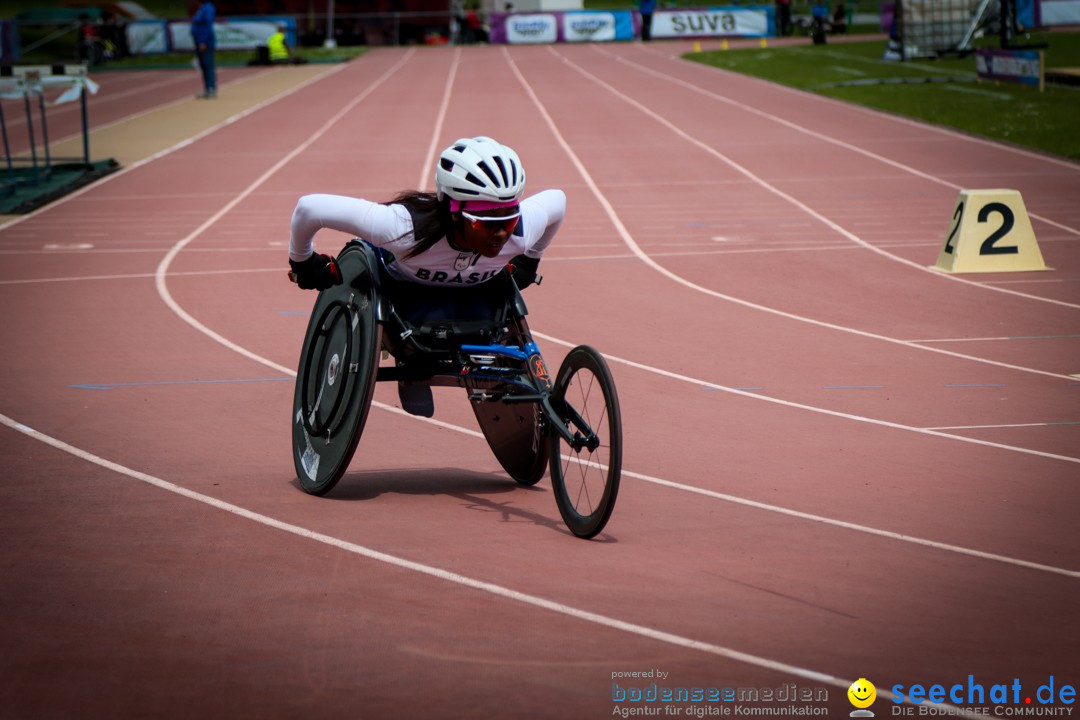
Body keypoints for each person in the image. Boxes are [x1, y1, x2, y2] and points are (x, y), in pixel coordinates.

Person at [287, 136, 566, 417]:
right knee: (432, 318)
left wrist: (530, 260)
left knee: (486, 325)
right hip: (406, 292)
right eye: (487, 224)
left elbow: (558, 200)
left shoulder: (521, 232)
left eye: (509, 220)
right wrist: (303, 262)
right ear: (453, 213)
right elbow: (309, 208)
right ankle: (412, 364)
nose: (501, 234)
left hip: (475, 290)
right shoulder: (402, 228)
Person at [191, 0, 217, 99]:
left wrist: (203, 41)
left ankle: (211, 88)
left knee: (208, 64)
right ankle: (207, 88)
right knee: (203, 66)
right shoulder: (202, 8)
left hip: (205, 42)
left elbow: (207, 25)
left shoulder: (208, 8)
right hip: (199, 41)